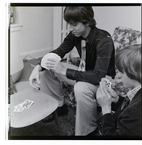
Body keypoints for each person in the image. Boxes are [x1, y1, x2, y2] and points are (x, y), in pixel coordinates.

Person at [29, 6, 116, 136]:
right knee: (49, 68)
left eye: (74, 24)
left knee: (80, 87)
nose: (70, 28)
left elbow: (98, 75)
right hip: (83, 71)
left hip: (103, 81)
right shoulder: (74, 35)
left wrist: (65, 71)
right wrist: (38, 67)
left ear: (87, 21)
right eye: (69, 23)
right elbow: (57, 53)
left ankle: (88, 131)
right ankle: (59, 107)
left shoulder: (104, 40)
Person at [96, 44, 142, 138]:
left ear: (134, 72)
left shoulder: (136, 112)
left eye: (121, 71)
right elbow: (131, 107)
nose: (118, 76)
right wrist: (117, 100)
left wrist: (106, 108)